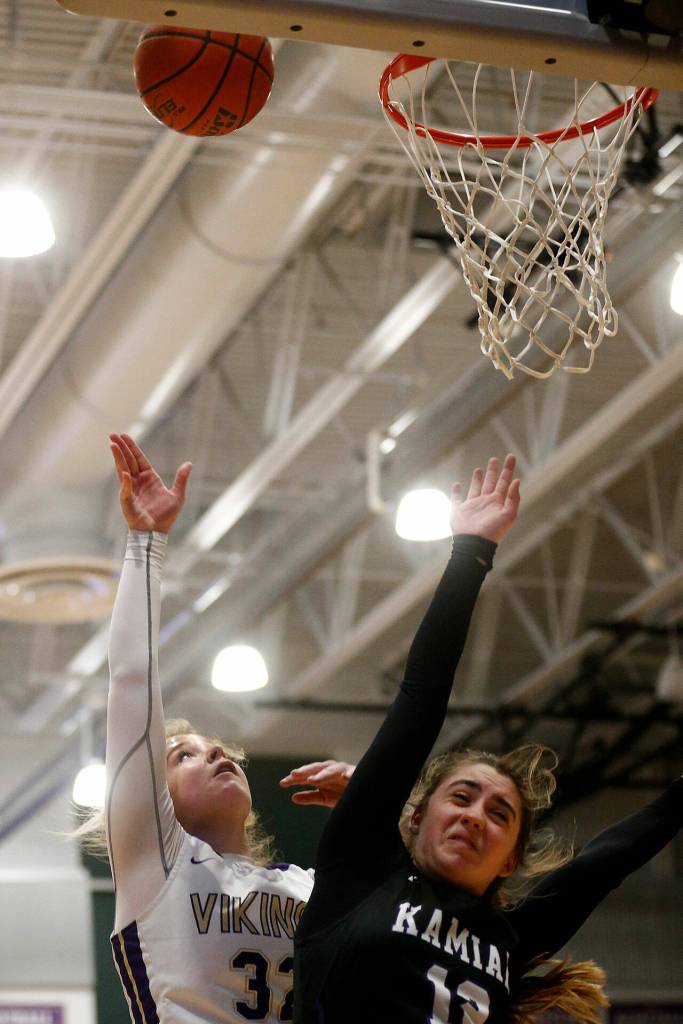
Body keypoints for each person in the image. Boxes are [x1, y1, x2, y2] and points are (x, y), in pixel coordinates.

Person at [290, 454, 683, 1024]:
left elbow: (610, 858)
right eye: (462, 796)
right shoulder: (361, 871)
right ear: (415, 816)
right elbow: (421, 701)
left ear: (509, 862)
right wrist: (471, 553)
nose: (476, 816)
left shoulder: (509, 936)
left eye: (500, 814)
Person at [86, 432, 354, 1024]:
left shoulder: (308, 889)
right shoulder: (158, 867)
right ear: (155, 799)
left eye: (218, 749)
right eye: (183, 755)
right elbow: (132, 682)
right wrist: (146, 545)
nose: (213, 755)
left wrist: (374, 800)